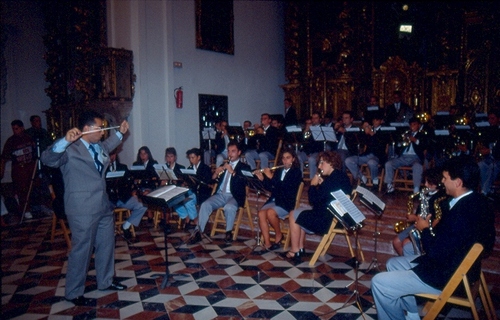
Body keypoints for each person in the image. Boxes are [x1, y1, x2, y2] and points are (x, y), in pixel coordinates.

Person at [371, 157, 495, 320]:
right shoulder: (479, 201)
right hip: (461, 268)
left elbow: (435, 251)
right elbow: (485, 244)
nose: (442, 182)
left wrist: (424, 230)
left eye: (445, 178)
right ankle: (413, 315)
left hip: (448, 276)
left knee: (379, 282)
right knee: (393, 263)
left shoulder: (461, 213)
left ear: (458, 182)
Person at [41, 110, 129, 306]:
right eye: (100, 128)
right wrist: (64, 140)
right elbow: (47, 159)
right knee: (82, 250)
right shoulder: (70, 149)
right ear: (87, 129)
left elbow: (109, 144)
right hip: (81, 208)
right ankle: (73, 292)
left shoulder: (99, 146)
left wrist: (121, 133)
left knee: (107, 245)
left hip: (103, 205)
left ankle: (105, 282)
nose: (103, 132)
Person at [284, 151, 352, 262]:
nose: (319, 166)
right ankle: (300, 248)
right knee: (300, 212)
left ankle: (295, 250)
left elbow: (313, 201)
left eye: (322, 163)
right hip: (336, 216)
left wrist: (312, 185)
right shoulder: (341, 176)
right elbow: (325, 197)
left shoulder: (331, 180)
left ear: (331, 163)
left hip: (327, 220)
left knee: (293, 214)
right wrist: (321, 185)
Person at [190, 141, 250, 244]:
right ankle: (198, 232)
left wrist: (232, 172)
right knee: (205, 205)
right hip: (220, 194)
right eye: (229, 151)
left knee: (229, 207)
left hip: (234, 196)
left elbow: (245, 181)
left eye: (233, 151)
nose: (230, 154)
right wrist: (215, 173)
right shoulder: (224, 164)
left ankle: (228, 232)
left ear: (239, 152)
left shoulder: (244, 167)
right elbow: (211, 181)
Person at [392, 167, 448, 256]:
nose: (425, 185)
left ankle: (411, 263)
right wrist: (413, 217)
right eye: (425, 181)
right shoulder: (425, 193)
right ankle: (406, 262)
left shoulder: (441, 199)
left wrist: (415, 218)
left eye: (429, 182)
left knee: (406, 243)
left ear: (437, 183)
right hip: (417, 224)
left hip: (428, 228)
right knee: (396, 241)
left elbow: (436, 220)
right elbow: (419, 211)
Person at [254, 148, 302, 251]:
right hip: (275, 199)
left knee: (270, 213)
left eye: (288, 158)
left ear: (293, 159)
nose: (285, 161)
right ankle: (267, 243)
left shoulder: (296, 172)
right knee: (261, 213)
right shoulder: (279, 170)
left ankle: (279, 235)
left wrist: (270, 176)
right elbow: (271, 187)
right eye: (283, 158)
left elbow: (285, 188)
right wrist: (262, 179)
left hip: (286, 201)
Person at [106, 150, 147, 240]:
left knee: (141, 206)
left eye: (112, 154)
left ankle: (125, 226)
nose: (111, 157)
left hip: (123, 197)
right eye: (109, 155)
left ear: (115, 155)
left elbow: (130, 182)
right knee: (104, 211)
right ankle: (109, 232)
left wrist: (134, 192)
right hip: (109, 199)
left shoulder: (123, 167)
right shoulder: (103, 169)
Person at [345, 112, 390, 190]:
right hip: (366, 155)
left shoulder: (384, 131)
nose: (375, 122)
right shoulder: (368, 130)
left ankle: (375, 181)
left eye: (377, 120)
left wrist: (371, 134)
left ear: (381, 121)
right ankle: (362, 177)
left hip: (378, 155)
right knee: (348, 160)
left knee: (371, 162)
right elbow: (361, 143)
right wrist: (364, 132)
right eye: (374, 120)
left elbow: (380, 146)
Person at [0, 120, 36, 219]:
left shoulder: (29, 138)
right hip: (19, 170)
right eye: (13, 129)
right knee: (22, 191)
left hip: (30, 168)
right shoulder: (11, 141)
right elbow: (4, 157)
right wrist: (2, 171)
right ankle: (25, 210)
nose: (15, 131)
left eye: (16, 129)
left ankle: (33, 208)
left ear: (22, 128)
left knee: (31, 189)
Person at [384, 117, 429, 194]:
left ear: (419, 125)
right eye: (411, 125)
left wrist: (415, 140)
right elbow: (399, 147)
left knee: (417, 167)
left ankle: (416, 189)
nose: (412, 127)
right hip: (403, 157)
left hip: (415, 157)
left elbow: (424, 146)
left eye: (414, 125)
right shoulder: (406, 134)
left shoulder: (423, 135)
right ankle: (389, 185)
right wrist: (400, 143)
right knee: (388, 164)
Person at [25, 115, 54, 215]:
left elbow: (50, 144)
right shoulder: (28, 133)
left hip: (44, 162)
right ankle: (35, 206)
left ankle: (47, 205)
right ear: (32, 122)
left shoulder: (44, 132)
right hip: (33, 164)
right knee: (34, 185)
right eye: (36, 121)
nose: (39, 123)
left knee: (46, 183)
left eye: (39, 120)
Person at [477, 108, 500, 197]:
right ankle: (485, 189)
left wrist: (490, 151)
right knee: (481, 165)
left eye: (493, 118)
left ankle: (484, 192)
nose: (490, 121)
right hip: (489, 158)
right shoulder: (489, 130)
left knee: (492, 166)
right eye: (489, 119)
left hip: (498, 159)